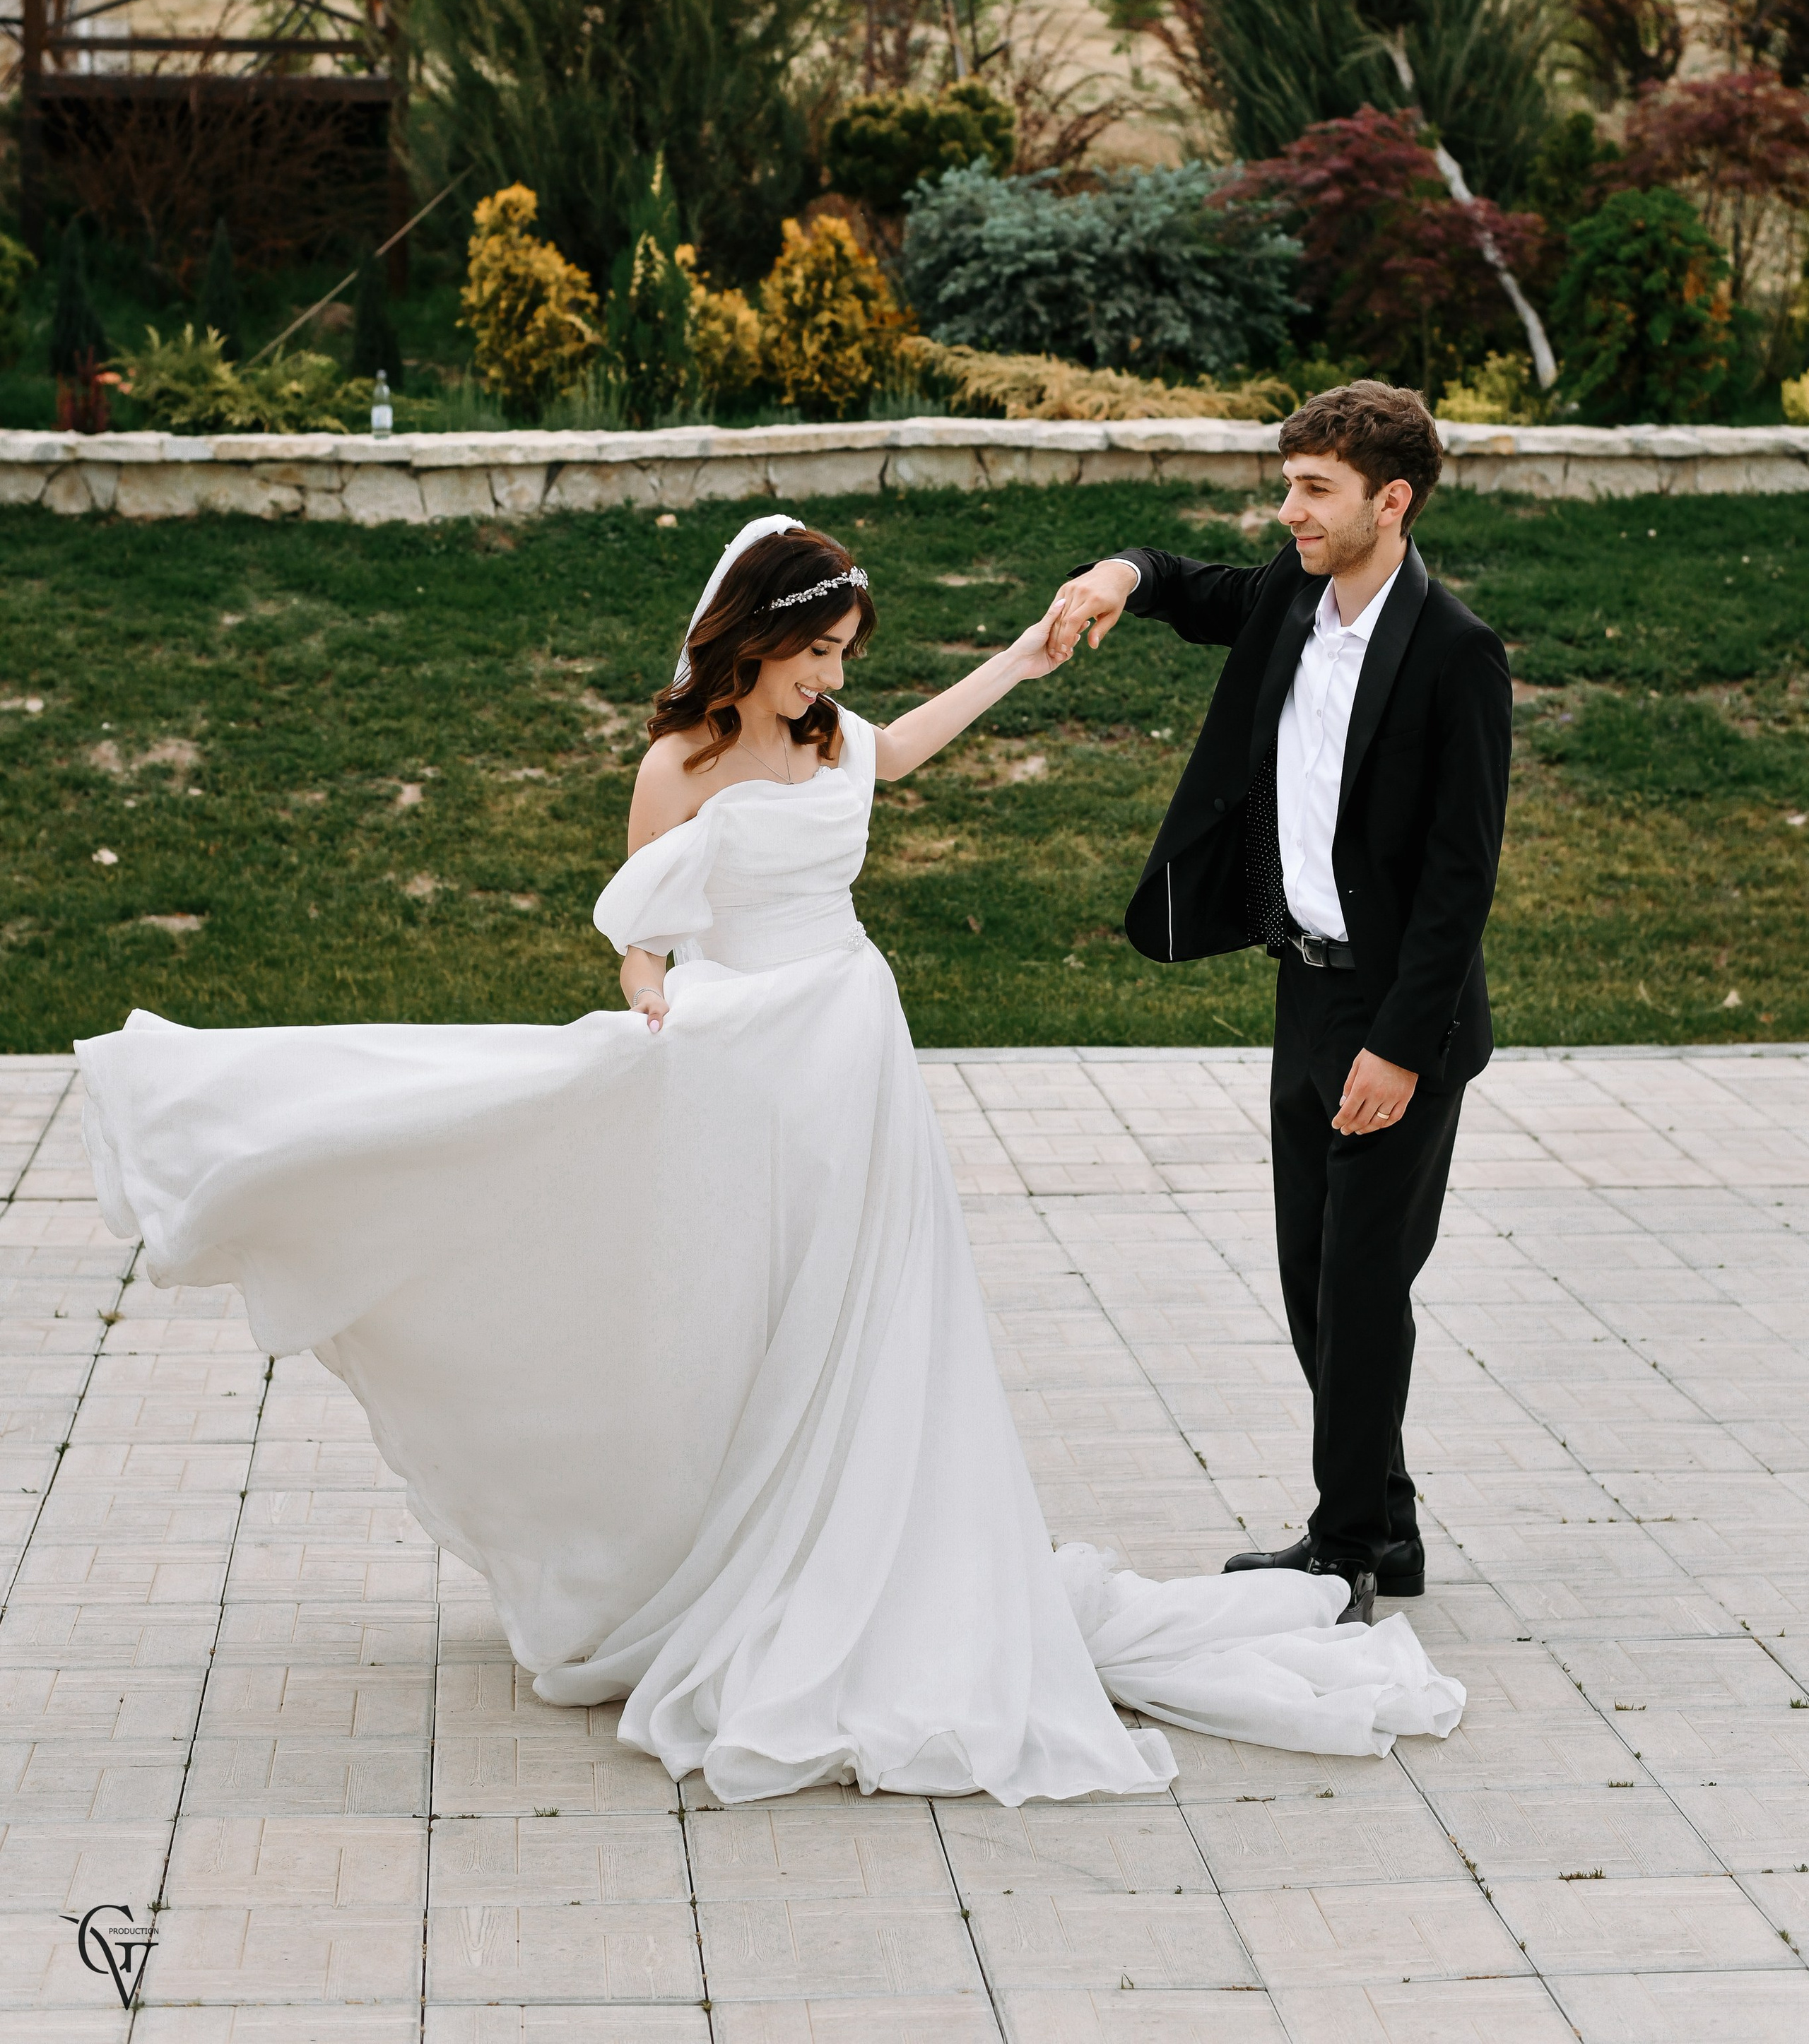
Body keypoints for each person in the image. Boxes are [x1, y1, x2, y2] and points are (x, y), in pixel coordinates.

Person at [78, 513, 1462, 1807]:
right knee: (747, 1308)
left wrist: (1023, 659)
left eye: (842, 658)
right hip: (742, 1059)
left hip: (851, 1051)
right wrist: (645, 996)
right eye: (813, 654)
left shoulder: (834, 738)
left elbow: (902, 750)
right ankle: (728, 1547)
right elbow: (638, 928)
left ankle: (880, 1562)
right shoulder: (678, 763)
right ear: (746, 643)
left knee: (870, 1319)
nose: (829, 680)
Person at [1048, 384, 1514, 1620]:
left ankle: (1346, 1547)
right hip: (1301, 994)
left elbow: (1463, 878)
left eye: (1315, 490)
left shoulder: (1456, 654)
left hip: (1401, 1017)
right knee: (1315, 1278)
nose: (1289, 509)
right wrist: (1115, 577)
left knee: (1362, 1283)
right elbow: (1181, 579)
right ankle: (1390, 1525)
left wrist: (1402, 1049)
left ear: (1391, 501)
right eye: (1288, 484)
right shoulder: (1289, 603)